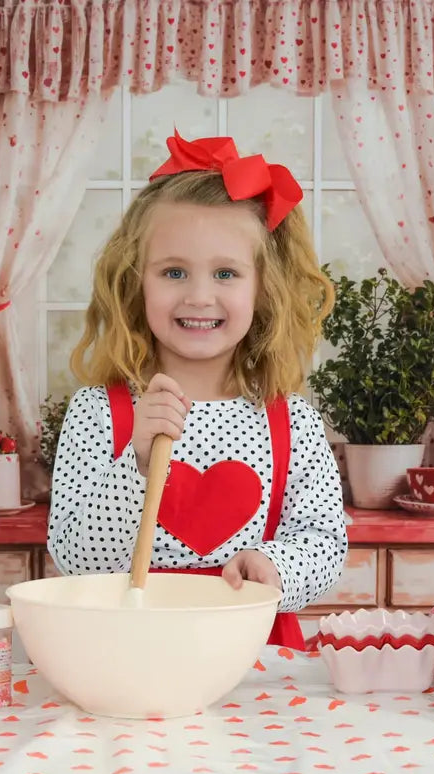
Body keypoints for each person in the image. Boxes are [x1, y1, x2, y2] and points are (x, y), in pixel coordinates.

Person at [47, 131, 347, 649]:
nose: (200, 296)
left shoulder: (292, 420)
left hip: (251, 653)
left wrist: (275, 564)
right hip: (133, 649)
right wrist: (136, 465)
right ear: (135, 283)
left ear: (264, 289)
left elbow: (325, 542)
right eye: (174, 272)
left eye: (226, 273)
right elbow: (76, 559)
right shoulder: (98, 412)